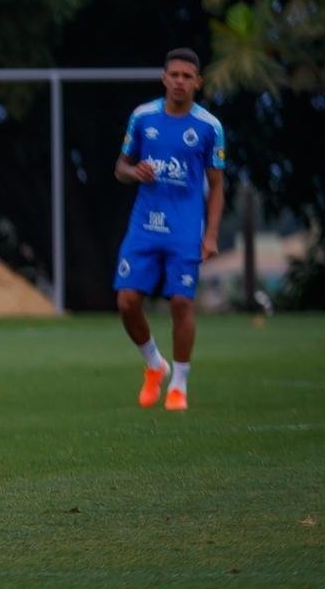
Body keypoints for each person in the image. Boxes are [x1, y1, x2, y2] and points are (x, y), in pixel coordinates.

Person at [113, 48, 225, 411]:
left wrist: (210, 236)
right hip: (144, 224)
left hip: (185, 227)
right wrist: (134, 172)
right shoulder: (143, 118)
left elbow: (217, 186)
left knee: (180, 301)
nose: (179, 81)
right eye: (173, 75)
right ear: (164, 78)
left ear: (198, 82)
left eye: (186, 76)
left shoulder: (209, 127)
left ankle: (179, 382)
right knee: (127, 301)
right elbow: (120, 167)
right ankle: (154, 364)